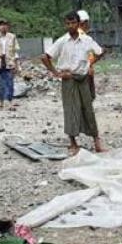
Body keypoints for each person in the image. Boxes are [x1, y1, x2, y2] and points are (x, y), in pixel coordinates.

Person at [42, 11, 107, 155]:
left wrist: (90, 63)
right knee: (71, 109)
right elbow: (45, 57)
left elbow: (100, 51)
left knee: (88, 109)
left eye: (73, 23)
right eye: (68, 23)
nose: (70, 26)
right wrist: (56, 73)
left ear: (79, 24)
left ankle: (96, 140)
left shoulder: (86, 40)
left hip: (83, 78)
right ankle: (73, 143)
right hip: (69, 79)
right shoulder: (62, 41)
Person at [0, 18, 20, 109]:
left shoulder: (12, 37)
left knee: (10, 82)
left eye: (5, 24)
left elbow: (15, 51)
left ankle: (10, 102)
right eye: (1, 25)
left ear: (8, 26)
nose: (3, 26)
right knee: (0, 83)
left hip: (9, 62)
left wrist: (17, 64)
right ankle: (1, 102)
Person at [78, 10, 98, 100]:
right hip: (85, 71)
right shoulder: (83, 37)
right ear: (84, 23)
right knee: (87, 98)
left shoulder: (73, 35)